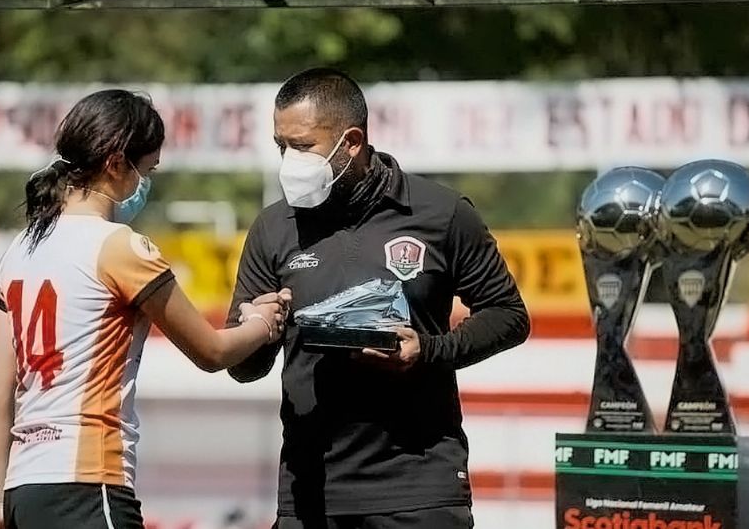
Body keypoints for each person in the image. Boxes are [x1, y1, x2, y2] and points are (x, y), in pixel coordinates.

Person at [226, 68, 531, 528]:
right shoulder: (273, 227)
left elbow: (509, 315)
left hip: (420, 488)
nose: (289, 160)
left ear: (351, 142)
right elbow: (243, 367)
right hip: (310, 494)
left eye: (303, 146)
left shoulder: (440, 212)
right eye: (280, 146)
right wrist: (259, 329)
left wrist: (428, 350)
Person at [0, 89, 291, 529]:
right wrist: (263, 322)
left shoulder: (18, 251)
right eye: (147, 170)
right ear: (115, 163)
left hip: (22, 488)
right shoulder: (120, 247)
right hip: (88, 484)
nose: (146, 183)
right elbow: (211, 352)